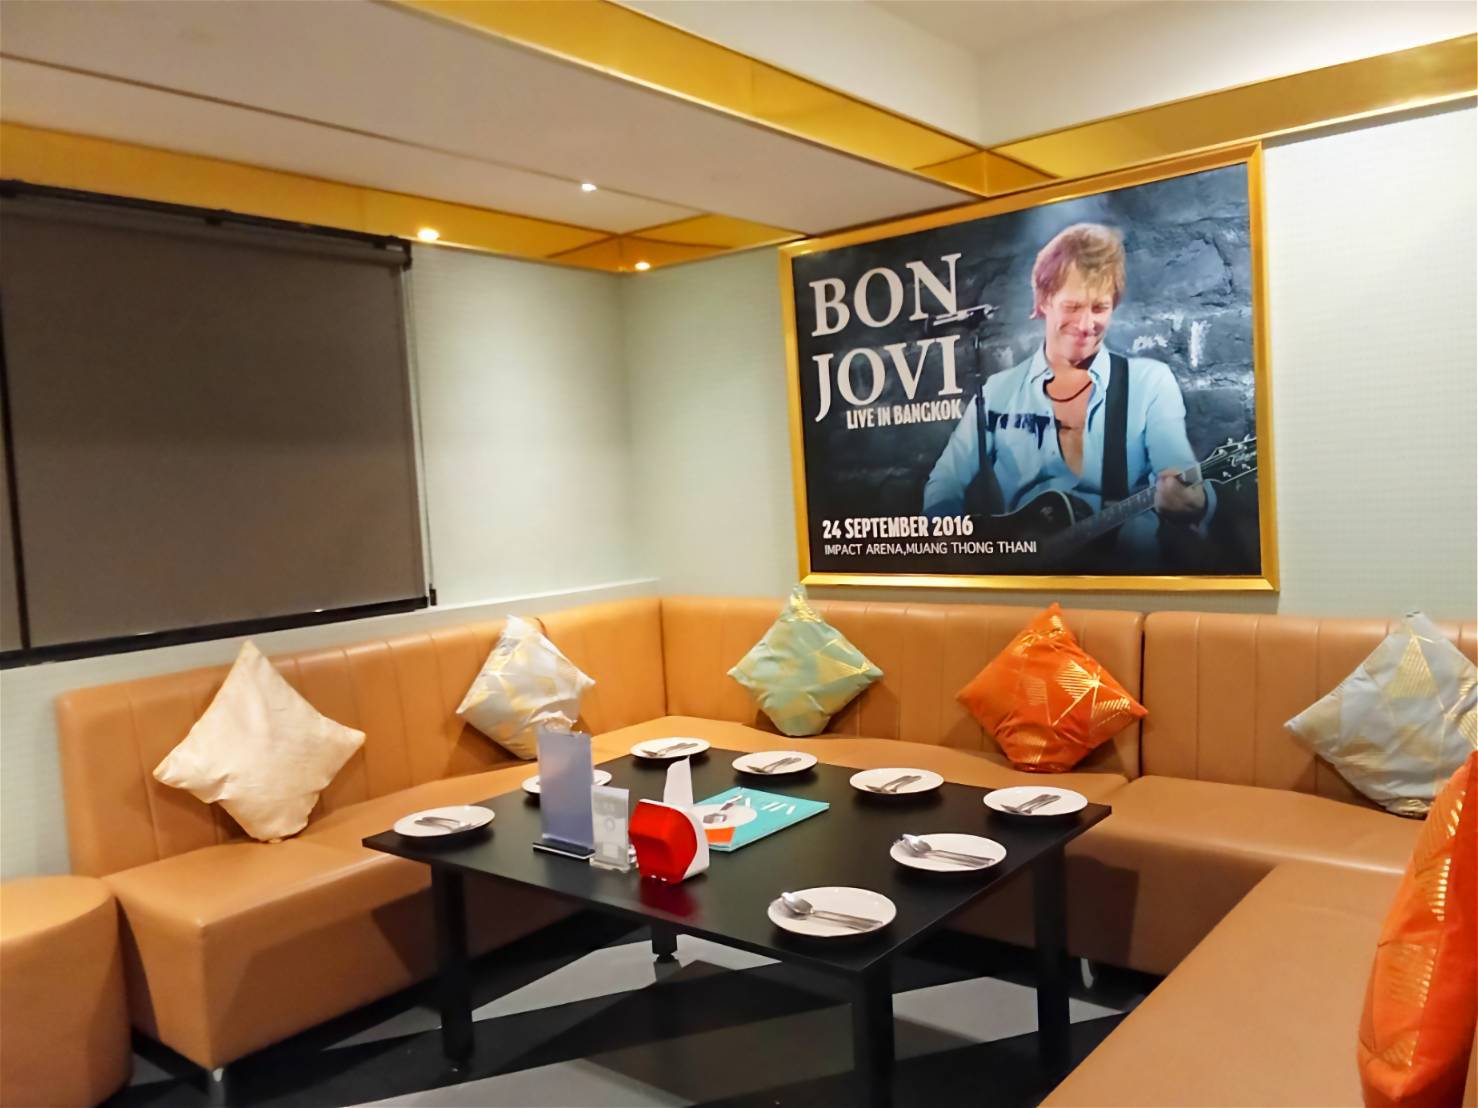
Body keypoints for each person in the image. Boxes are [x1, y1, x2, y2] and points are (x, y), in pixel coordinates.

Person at [921, 222, 1212, 569]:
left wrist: (1194, 501)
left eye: (1099, 308)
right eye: (1073, 306)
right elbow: (945, 483)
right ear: (1044, 300)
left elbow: (1178, 468)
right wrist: (956, 548)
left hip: (1123, 578)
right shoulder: (997, 392)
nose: (1087, 325)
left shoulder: (1149, 382)